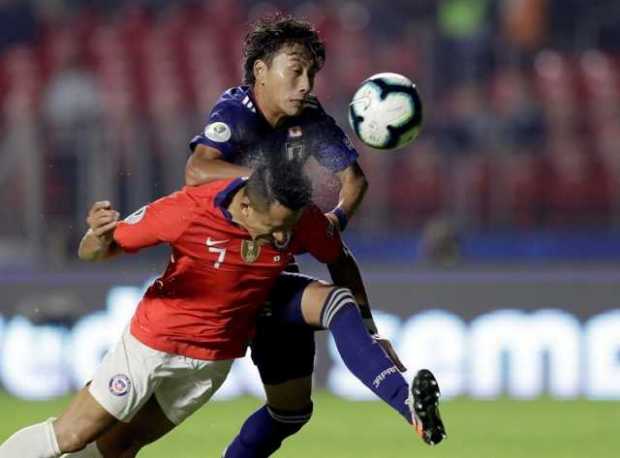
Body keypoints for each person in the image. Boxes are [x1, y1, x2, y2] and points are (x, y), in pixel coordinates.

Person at [0, 164, 444, 458]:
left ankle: (408, 407)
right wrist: (96, 235)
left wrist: (368, 329)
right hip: (150, 347)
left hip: (209, 365)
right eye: (273, 230)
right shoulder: (185, 212)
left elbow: (339, 258)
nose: (282, 242)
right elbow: (95, 252)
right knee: (73, 435)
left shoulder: (296, 219)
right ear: (246, 205)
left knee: (122, 446)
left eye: (288, 231)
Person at [182, 14, 446, 457]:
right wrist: (269, 182)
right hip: (223, 269)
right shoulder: (236, 112)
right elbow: (197, 170)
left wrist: (329, 225)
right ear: (261, 72)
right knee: (332, 301)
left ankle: (413, 413)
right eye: (295, 70)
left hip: (268, 272)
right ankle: (408, 406)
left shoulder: (310, 120)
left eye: (310, 73)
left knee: (290, 412)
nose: (305, 84)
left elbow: (354, 184)